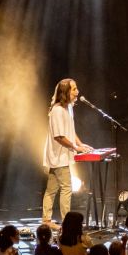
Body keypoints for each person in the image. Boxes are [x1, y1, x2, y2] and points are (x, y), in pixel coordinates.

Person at [43, 78, 93, 225]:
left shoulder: (68, 108)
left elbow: (70, 131)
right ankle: (66, 222)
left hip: (62, 156)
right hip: (58, 156)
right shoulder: (57, 110)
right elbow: (59, 136)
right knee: (66, 188)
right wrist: (75, 148)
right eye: (74, 89)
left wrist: (80, 143)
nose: (77, 92)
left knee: (51, 189)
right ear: (65, 92)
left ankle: (46, 219)